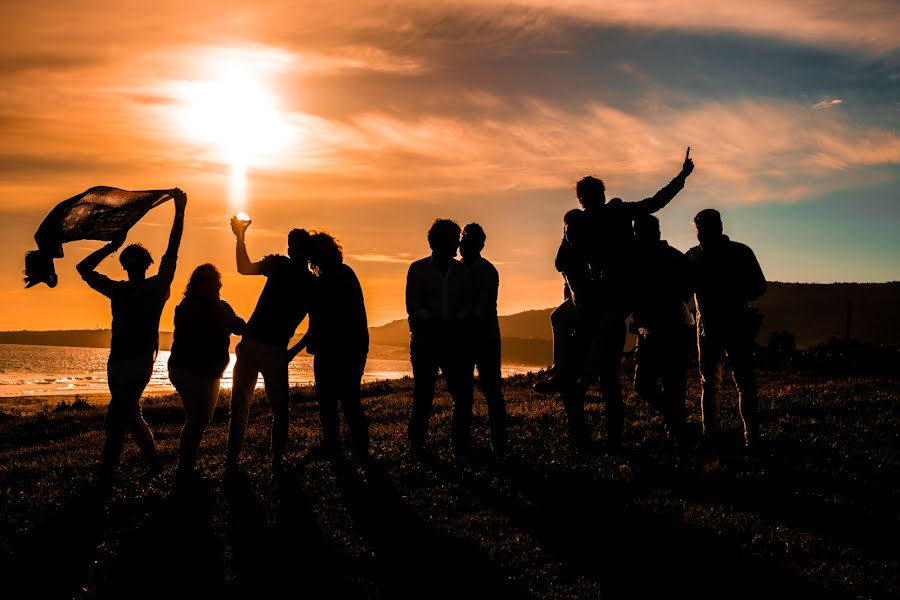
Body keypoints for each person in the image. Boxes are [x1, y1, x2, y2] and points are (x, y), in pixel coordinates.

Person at [535, 149, 695, 396]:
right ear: (582, 200)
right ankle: (562, 372)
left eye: (593, 195)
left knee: (602, 336)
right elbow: (561, 264)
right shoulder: (578, 223)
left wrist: (681, 177)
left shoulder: (616, 211)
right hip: (595, 294)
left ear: (601, 196)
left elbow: (654, 203)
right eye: (586, 197)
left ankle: (580, 382)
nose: (589, 201)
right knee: (559, 318)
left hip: (621, 292)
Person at [76, 188, 187, 482]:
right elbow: (83, 269)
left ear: (144, 264)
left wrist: (180, 211)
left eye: (136, 260)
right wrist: (112, 246)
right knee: (130, 413)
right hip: (118, 359)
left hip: (139, 360)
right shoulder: (120, 290)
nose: (134, 264)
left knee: (117, 414)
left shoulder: (157, 287)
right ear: (126, 266)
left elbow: (172, 250)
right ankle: (154, 461)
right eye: (130, 260)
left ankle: (107, 470)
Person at [226, 217, 314, 472]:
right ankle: (234, 462)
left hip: (273, 349)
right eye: (291, 246)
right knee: (243, 408)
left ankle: (273, 462)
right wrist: (239, 237)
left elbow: (315, 328)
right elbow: (244, 268)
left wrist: (290, 354)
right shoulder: (280, 265)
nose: (292, 250)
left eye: (296, 246)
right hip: (257, 346)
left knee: (276, 411)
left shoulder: (308, 283)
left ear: (304, 251)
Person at [686, 209, 767, 451]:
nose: (701, 234)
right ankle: (748, 436)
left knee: (713, 383)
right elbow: (759, 286)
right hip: (723, 327)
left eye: (702, 229)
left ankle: (716, 435)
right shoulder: (739, 252)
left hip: (714, 328)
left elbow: (759, 286)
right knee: (740, 383)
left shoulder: (694, 257)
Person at [288, 231, 370, 461]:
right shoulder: (341, 275)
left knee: (338, 400)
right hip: (346, 347)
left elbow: (318, 325)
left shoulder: (330, 280)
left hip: (341, 349)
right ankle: (351, 446)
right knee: (342, 399)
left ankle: (345, 446)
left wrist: (292, 352)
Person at [168, 264, 245, 487]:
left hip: (202, 371)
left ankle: (185, 469)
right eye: (209, 282)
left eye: (214, 282)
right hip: (192, 370)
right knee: (197, 420)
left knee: (197, 420)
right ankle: (184, 471)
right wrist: (220, 313)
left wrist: (222, 313)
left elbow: (240, 326)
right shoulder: (188, 308)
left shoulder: (217, 307)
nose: (213, 286)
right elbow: (196, 331)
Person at [406, 219, 474, 455]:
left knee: (462, 396)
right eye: (455, 238)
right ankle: (417, 446)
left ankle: (459, 445)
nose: (458, 243)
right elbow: (413, 306)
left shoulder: (462, 271)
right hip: (427, 342)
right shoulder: (417, 269)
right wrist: (440, 321)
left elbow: (468, 304)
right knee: (423, 395)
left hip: (453, 341)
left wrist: (454, 321)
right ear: (443, 241)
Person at [630, 214, 693, 449]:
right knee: (669, 383)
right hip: (672, 326)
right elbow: (686, 291)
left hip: (666, 328)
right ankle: (676, 424)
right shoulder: (675, 257)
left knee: (654, 383)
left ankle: (677, 429)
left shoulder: (648, 259)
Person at [459, 223, 507, 457]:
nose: (462, 244)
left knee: (491, 393)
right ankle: (462, 445)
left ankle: (498, 446)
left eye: (466, 239)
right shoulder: (459, 270)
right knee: (465, 394)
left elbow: (482, 308)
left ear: (478, 245)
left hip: (484, 339)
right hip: (473, 338)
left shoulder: (487, 271)